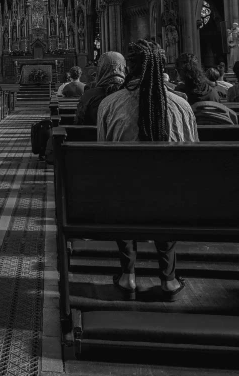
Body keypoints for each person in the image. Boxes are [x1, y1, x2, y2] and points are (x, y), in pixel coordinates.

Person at [97, 40, 198, 301]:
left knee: (123, 186)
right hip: (171, 201)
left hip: (123, 201)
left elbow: (101, 158)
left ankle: (128, 274)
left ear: (129, 67)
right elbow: (193, 158)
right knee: (166, 188)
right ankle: (169, 278)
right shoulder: (182, 106)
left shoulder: (109, 105)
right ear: (162, 66)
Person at [74, 51, 125, 126]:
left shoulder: (89, 95)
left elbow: (79, 122)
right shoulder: (130, 94)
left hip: (92, 137)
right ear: (123, 68)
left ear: (101, 69)